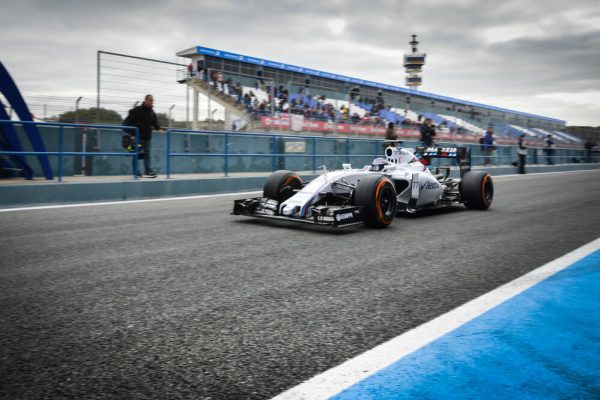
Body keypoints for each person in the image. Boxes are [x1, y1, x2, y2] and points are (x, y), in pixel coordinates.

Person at [123, 94, 164, 178]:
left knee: (147, 154)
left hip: (147, 138)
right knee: (136, 154)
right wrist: (132, 134)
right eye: (150, 100)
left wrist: (159, 129)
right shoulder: (137, 111)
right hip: (138, 137)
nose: (152, 102)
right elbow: (127, 124)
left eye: (153, 100)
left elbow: (154, 123)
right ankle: (136, 172)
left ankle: (148, 171)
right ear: (145, 100)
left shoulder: (151, 112)